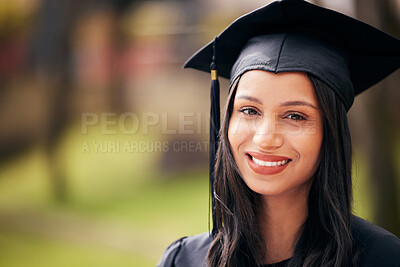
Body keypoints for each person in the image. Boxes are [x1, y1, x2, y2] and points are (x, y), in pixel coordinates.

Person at [157, 0, 400, 266]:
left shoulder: (383, 258)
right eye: (249, 110)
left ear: (331, 133)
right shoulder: (183, 260)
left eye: (295, 116)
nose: (265, 138)